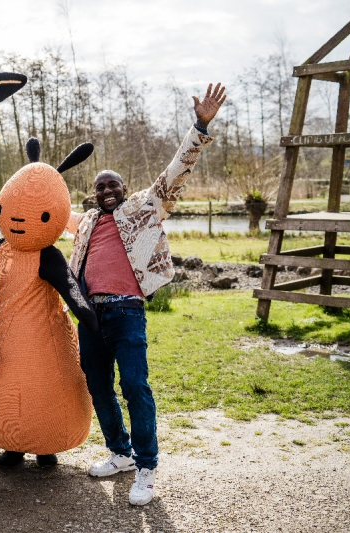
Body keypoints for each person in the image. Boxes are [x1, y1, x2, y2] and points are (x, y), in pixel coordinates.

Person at [66, 83, 227, 505]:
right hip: (91, 318)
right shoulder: (84, 223)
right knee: (98, 386)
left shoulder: (143, 208)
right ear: (93, 194)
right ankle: (119, 453)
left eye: (112, 185)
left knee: (135, 386)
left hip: (126, 313)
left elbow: (176, 171)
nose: (106, 191)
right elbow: (41, 213)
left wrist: (200, 125)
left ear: (124, 188)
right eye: (100, 187)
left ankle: (147, 466)